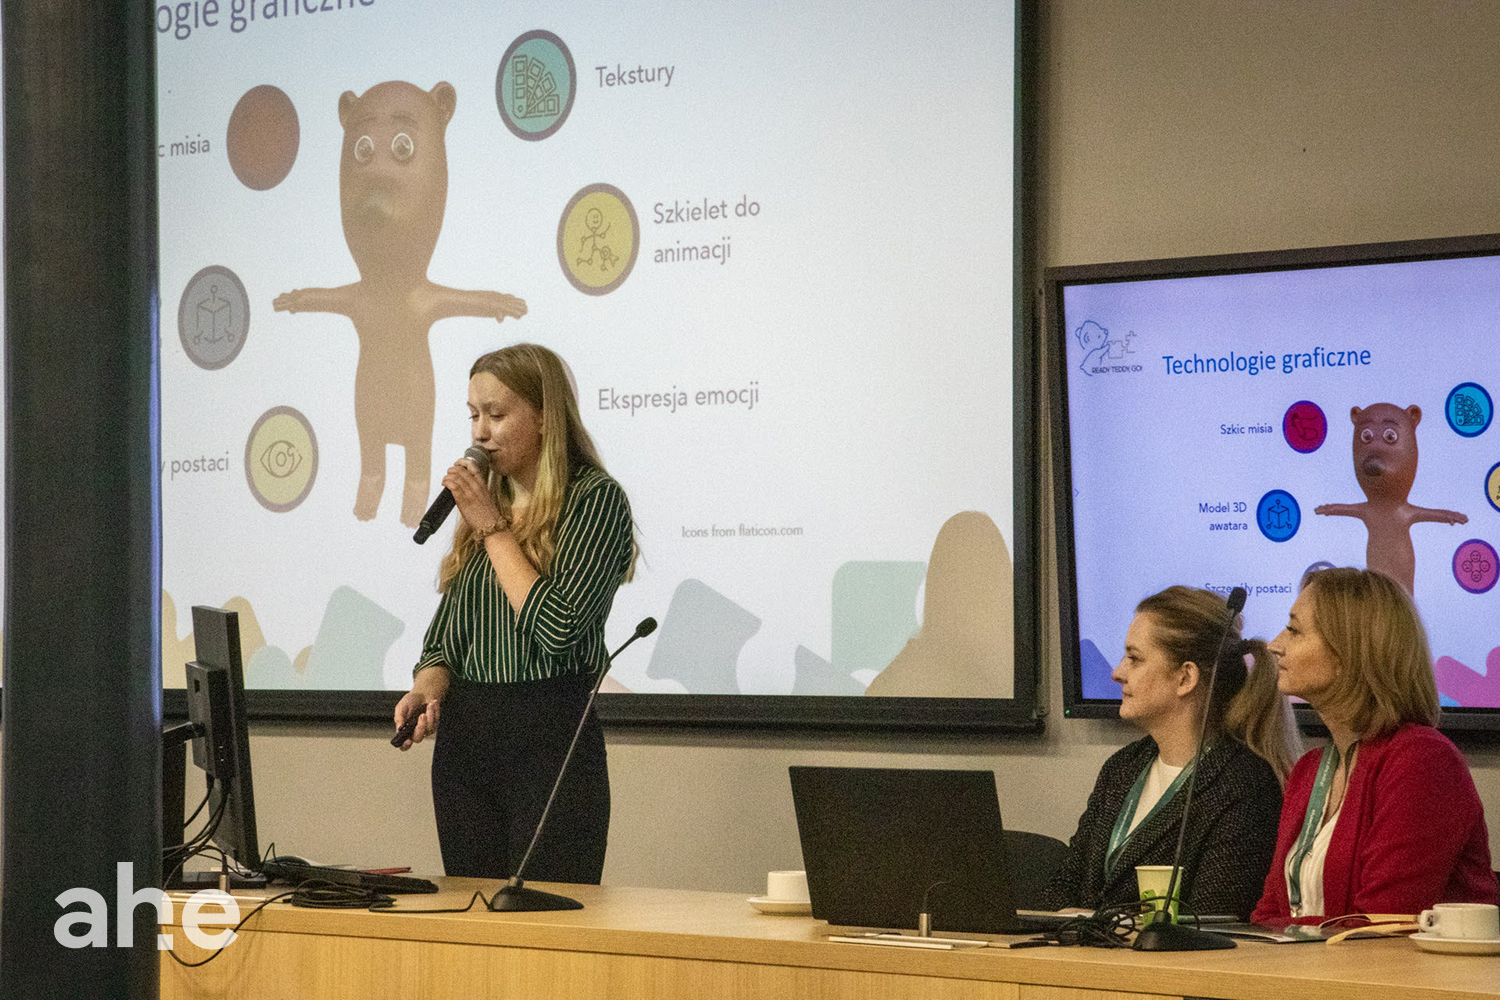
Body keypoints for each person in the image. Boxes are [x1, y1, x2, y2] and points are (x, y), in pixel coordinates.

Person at [393, 343, 636, 882]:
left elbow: (559, 629)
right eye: (473, 415)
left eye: (497, 415)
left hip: (549, 737)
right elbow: (446, 638)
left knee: (544, 919)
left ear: (546, 417)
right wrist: (426, 687)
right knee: (473, 916)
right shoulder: (489, 503)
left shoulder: (593, 500)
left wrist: (493, 528)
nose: (480, 433)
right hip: (466, 746)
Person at [1251, 567, 1495, 924]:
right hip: (1317, 960)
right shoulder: (1309, 771)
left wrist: (1278, 934)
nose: (1274, 645)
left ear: (1348, 651)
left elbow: (1383, 922)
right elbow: (1268, 914)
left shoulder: (1422, 760)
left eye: (1294, 630)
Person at [1042, 587, 1301, 918]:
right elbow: (1063, 885)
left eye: (1134, 659)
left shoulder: (1245, 786)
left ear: (1185, 678)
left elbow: (1213, 919)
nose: (1117, 673)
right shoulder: (1122, 767)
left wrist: (1097, 923)